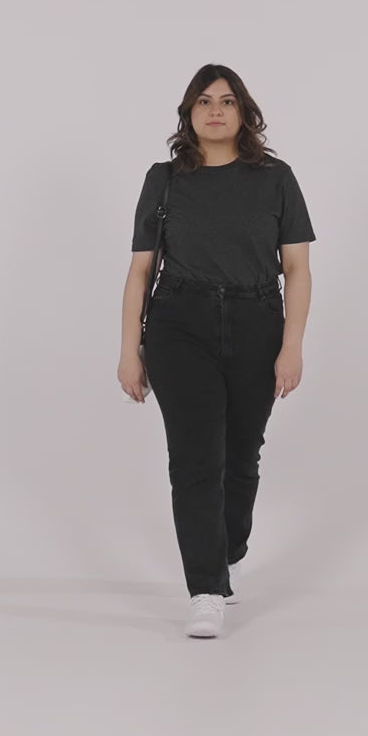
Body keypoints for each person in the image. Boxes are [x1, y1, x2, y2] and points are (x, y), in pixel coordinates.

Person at [117, 64, 316, 639]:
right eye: (203, 101)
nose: (215, 111)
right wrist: (129, 350)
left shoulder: (275, 178)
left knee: (241, 456)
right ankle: (204, 588)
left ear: (244, 112)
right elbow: (140, 271)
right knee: (196, 458)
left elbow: (298, 269)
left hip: (258, 321)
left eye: (227, 101)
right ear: (188, 113)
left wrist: (292, 345)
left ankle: (226, 555)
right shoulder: (165, 179)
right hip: (180, 323)